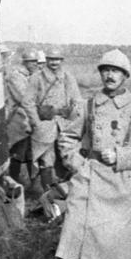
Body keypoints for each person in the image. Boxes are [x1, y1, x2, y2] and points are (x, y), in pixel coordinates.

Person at [56, 50, 131, 259]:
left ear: (125, 76)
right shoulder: (88, 105)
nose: (110, 75)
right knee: (75, 226)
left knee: (120, 233)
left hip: (121, 179)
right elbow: (68, 138)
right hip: (90, 176)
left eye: (116, 71)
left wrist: (122, 156)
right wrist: (77, 164)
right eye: (106, 70)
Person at [27, 45, 81, 193]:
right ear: (46, 60)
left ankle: (63, 195)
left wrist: (73, 117)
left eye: (57, 59)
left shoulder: (68, 77)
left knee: (68, 159)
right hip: (45, 124)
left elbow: (77, 100)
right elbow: (28, 102)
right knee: (46, 160)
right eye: (51, 59)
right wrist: (36, 123)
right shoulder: (36, 78)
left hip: (65, 125)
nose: (54, 63)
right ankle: (46, 198)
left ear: (61, 60)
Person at [6, 48, 40, 185]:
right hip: (18, 122)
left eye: (36, 62)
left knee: (32, 154)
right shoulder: (16, 76)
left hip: (30, 121)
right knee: (16, 154)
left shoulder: (33, 76)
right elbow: (24, 98)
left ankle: (34, 187)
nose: (35, 64)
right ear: (24, 62)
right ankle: (12, 185)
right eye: (32, 62)